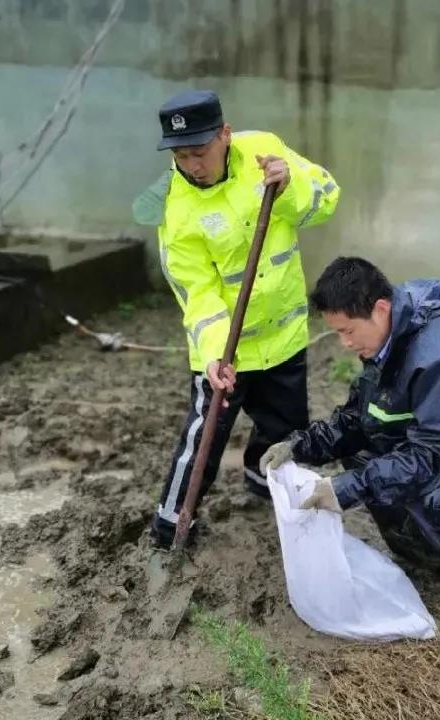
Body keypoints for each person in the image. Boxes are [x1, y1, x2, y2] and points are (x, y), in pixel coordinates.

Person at [261, 257, 440, 585]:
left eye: (347, 331)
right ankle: (427, 555)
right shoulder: (390, 335)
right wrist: (299, 445)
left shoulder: (439, 352)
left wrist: (348, 487)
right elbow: (363, 418)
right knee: (363, 455)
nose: (345, 343)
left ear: (380, 309)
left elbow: (433, 454)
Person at [132, 90, 340, 549]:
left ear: (224, 135)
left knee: (284, 428)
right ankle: (170, 524)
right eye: (181, 156)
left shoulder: (265, 152)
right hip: (226, 351)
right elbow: (198, 294)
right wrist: (213, 357)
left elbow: (327, 198)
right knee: (204, 435)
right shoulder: (177, 211)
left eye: (200, 152)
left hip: (284, 338)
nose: (192, 165)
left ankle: (258, 476)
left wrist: (289, 187)